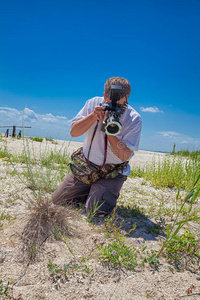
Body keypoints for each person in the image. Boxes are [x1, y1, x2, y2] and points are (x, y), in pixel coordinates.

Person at [52, 76, 142, 217]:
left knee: (95, 211)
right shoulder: (92, 103)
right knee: (58, 200)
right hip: (87, 165)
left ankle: (101, 191)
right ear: (104, 95)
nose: (115, 106)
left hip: (112, 172)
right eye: (111, 101)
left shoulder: (134, 118)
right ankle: (91, 190)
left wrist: (110, 130)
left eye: (121, 104)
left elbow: (125, 155)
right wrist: (93, 117)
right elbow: (73, 132)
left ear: (127, 99)